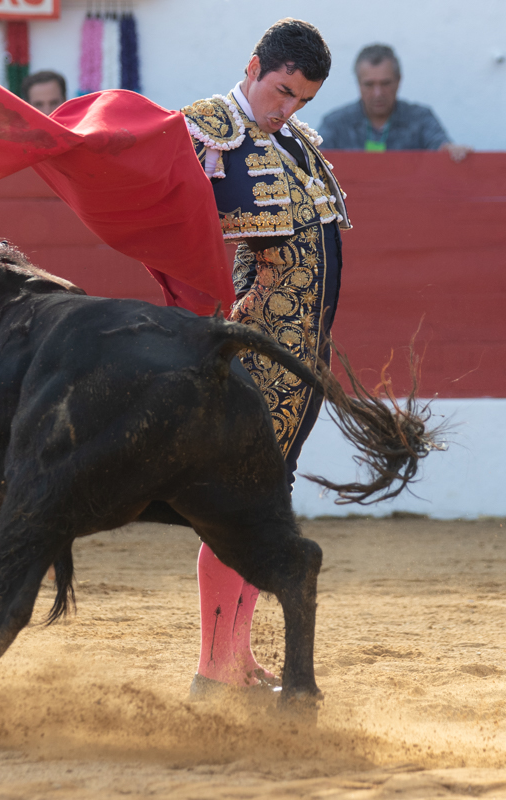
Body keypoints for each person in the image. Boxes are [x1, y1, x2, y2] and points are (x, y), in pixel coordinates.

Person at [180, 17, 348, 698]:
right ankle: (215, 667)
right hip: (251, 351)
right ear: (253, 66)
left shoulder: (295, 141)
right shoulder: (206, 127)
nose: (288, 111)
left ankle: (238, 660)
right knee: (243, 503)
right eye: (281, 92)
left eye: (302, 101)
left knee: (267, 498)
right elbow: (170, 214)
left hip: (296, 355)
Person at [318, 44, 472, 161]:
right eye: (369, 85)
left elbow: (441, 147)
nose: (378, 93)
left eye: (385, 83)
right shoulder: (335, 123)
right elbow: (314, 162)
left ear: (398, 81)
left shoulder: (420, 118)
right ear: (358, 83)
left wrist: (452, 151)